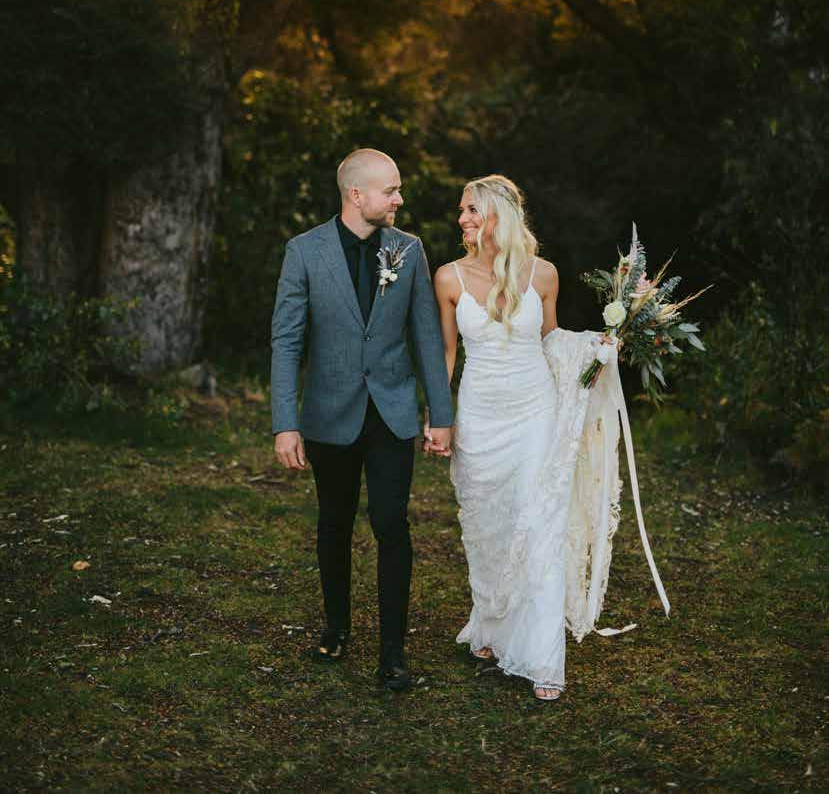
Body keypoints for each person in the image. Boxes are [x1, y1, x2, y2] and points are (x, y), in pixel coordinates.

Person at [430, 174, 665, 702]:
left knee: (537, 524)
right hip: (480, 416)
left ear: (498, 213)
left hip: (534, 413)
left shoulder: (544, 274)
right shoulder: (448, 277)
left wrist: (597, 347)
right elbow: (446, 354)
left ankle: (542, 657)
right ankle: (490, 623)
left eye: (471, 209)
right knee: (488, 527)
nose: (462, 218)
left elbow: (551, 341)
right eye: (461, 210)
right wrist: (438, 416)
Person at [270, 148, 453, 692]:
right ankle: (336, 628)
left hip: (392, 412)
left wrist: (440, 414)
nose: (399, 199)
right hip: (329, 412)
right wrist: (285, 422)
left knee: (392, 523)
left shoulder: (408, 249)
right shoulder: (304, 252)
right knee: (334, 521)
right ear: (356, 194)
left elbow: (427, 336)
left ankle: (393, 652)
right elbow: (287, 342)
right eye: (390, 190)